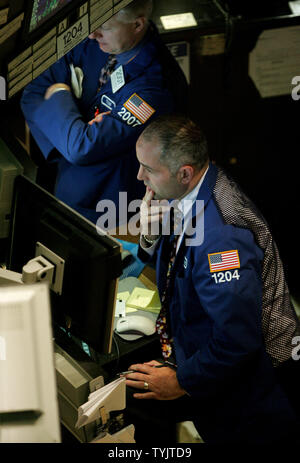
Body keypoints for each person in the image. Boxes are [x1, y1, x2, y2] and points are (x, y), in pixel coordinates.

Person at [122, 114, 300, 444]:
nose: (139, 175)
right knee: (133, 399)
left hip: (252, 382)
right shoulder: (192, 188)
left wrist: (180, 381)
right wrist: (148, 236)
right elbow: (177, 260)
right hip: (200, 345)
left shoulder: (222, 238)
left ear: (184, 172)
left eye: (148, 169)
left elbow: (237, 340)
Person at [20, 0, 188, 224]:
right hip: (62, 182)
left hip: (106, 211)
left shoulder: (154, 87)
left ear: (137, 25)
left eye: (105, 27)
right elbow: (32, 91)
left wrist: (60, 93)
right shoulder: (97, 42)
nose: (91, 34)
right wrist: (69, 140)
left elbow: (82, 148)